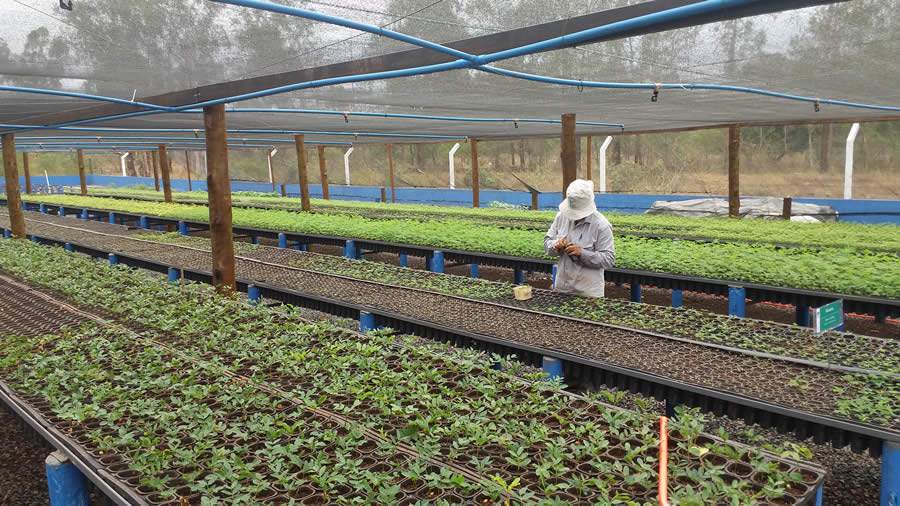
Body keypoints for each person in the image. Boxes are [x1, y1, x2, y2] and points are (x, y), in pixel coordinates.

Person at [544, 179, 615, 297]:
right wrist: (555, 245)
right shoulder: (561, 217)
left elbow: (609, 259)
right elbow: (547, 242)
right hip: (562, 288)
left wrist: (582, 253)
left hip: (588, 293)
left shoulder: (601, 225)